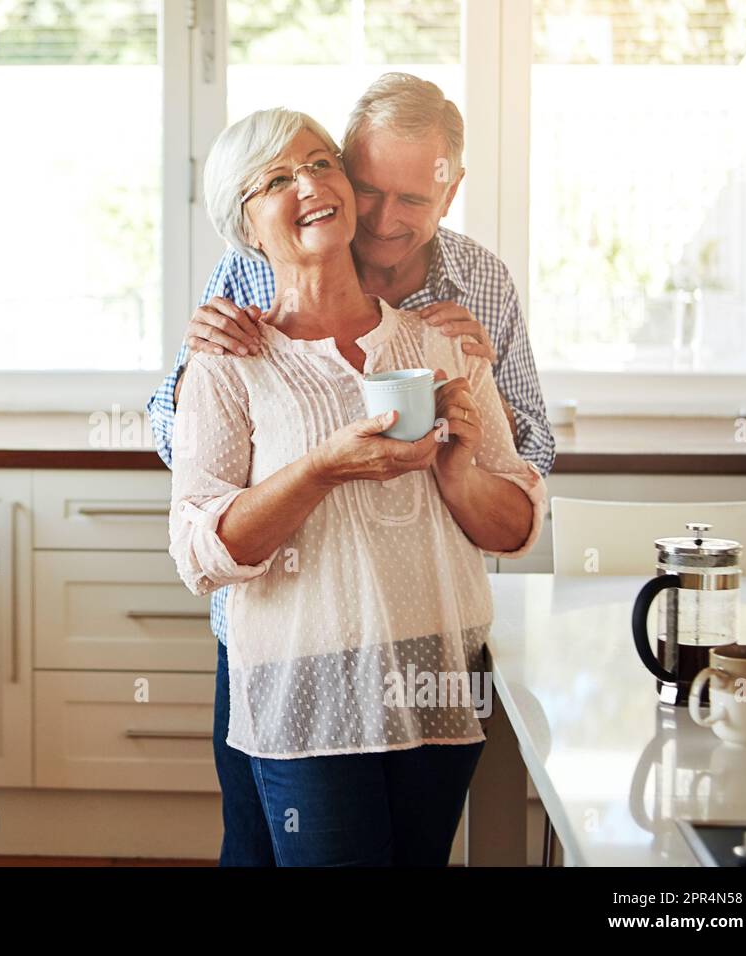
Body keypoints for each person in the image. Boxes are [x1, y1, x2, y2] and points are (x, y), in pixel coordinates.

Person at [148, 73, 554, 866]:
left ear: (451, 188)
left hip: (427, 647)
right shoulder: (245, 292)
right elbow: (187, 454)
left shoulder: (473, 297)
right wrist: (315, 455)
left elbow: (525, 464)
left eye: (414, 199)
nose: (385, 219)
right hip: (289, 643)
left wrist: (473, 391)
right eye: (369, 188)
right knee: (261, 849)